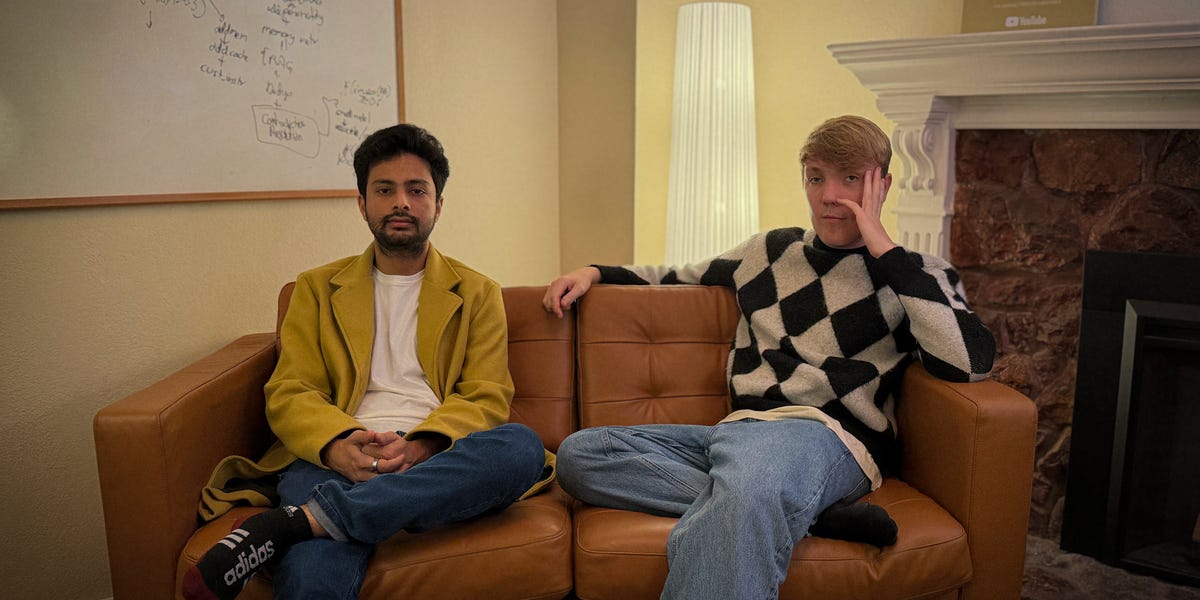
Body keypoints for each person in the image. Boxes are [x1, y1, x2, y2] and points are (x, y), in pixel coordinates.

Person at [542, 115, 995, 599]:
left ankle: (775, 502)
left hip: (827, 436)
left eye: (850, 179)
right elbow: (676, 275)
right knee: (581, 455)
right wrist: (593, 272)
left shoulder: (917, 274)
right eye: (816, 178)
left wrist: (884, 249)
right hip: (741, 433)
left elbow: (969, 362)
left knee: (752, 486)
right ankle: (808, 513)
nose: (829, 196)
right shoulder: (769, 251)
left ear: (882, 185)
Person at [184, 123, 552, 600]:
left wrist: (419, 447)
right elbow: (291, 390)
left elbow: (487, 395)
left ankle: (298, 522)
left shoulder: (478, 292)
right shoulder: (316, 288)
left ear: (438, 204)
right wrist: (338, 446)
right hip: (334, 456)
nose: (401, 202)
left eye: (416, 190)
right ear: (362, 203)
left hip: (436, 456)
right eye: (384, 190)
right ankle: (341, 515)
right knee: (313, 568)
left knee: (521, 448)